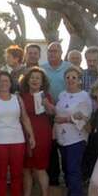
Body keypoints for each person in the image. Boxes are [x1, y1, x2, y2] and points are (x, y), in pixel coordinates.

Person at [0, 72, 35, 196]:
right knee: (0, 175)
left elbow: (25, 118)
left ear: (11, 83)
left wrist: (31, 135)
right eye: (1, 81)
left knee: (17, 174)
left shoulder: (17, 99)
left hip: (18, 140)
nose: (4, 84)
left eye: (6, 81)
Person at [53, 66, 92, 196]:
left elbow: (84, 116)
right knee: (67, 169)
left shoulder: (84, 96)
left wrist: (66, 119)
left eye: (74, 77)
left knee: (74, 169)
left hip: (76, 138)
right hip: (62, 137)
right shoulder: (62, 94)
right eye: (68, 77)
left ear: (80, 81)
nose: (70, 80)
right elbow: (57, 111)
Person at [19, 67, 55, 196]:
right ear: (27, 80)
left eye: (37, 78)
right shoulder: (21, 96)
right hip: (23, 134)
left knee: (40, 168)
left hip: (41, 133)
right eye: (32, 77)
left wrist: (47, 104)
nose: (34, 80)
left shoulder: (46, 96)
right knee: (26, 168)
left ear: (42, 82)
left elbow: (52, 112)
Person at [42, 42, 71, 187]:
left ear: (61, 52)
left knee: (65, 146)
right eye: (50, 51)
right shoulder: (42, 68)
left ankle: (68, 180)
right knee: (51, 147)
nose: (52, 53)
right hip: (47, 113)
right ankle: (53, 181)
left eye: (55, 51)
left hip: (65, 113)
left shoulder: (69, 67)